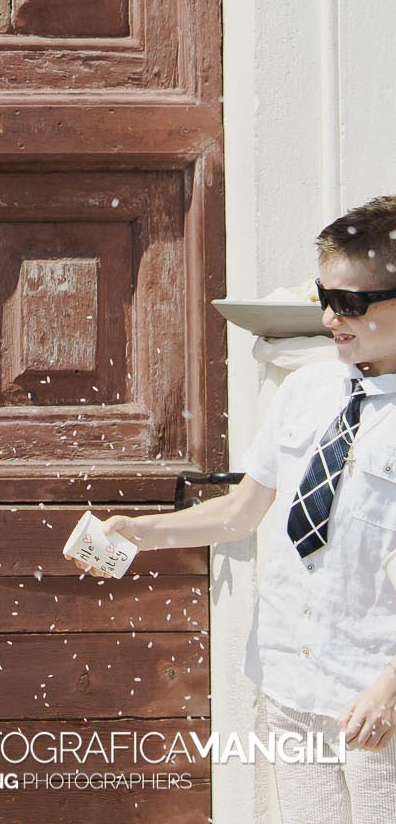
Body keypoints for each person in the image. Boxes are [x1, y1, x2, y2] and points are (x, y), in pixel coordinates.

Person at [94, 196, 396, 823]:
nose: (329, 316)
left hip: (377, 693)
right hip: (291, 681)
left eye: (351, 303)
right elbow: (240, 512)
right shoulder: (309, 389)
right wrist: (138, 532)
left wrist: (391, 687)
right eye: (324, 295)